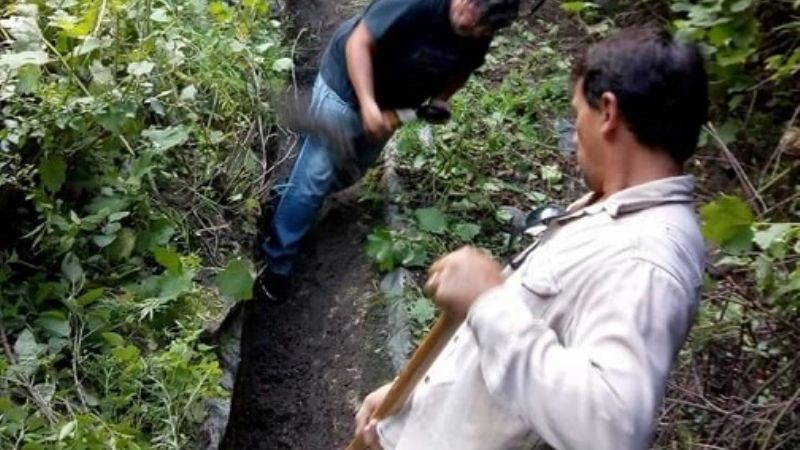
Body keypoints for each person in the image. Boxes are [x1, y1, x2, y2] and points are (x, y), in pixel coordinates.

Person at [354, 27, 710, 450]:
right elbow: (514, 348)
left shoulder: (646, 260)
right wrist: (404, 398)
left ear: (609, 113)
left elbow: (611, 429)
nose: (575, 134)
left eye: (578, 115)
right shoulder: (613, 209)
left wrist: (487, 301)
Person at [260, 0, 524, 301]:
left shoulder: (480, 30)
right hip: (346, 87)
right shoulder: (416, 5)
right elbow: (360, 41)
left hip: (394, 103)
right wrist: (369, 104)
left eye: (485, 29)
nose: (477, 31)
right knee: (314, 180)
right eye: (477, 22)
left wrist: (440, 99)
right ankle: (275, 265)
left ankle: (281, 202)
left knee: (350, 171)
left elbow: (463, 69)